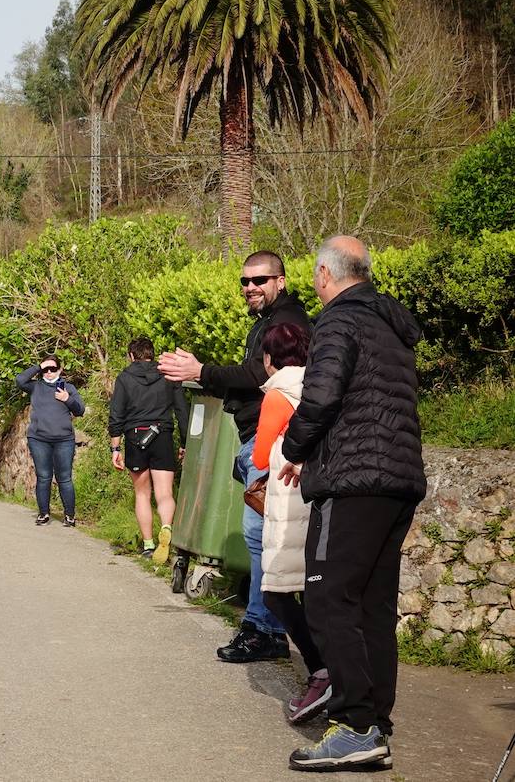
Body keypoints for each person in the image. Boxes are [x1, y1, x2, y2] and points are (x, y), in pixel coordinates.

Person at [280, 237, 426, 773]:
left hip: (351, 479)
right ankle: (375, 726)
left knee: (326, 599)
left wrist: (293, 449)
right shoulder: (392, 325)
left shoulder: (339, 321)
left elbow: (320, 397)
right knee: (371, 607)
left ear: (324, 274)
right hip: (398, 479)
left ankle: (355, 724)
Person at [158, 250, 309, 663]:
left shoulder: (286, 322)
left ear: (281, 280)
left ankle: (264, 629)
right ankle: (267, 626)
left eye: (259, 280)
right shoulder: (266, 323)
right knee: (261, 539)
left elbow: (261, 377)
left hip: (272, 441)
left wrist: (202, 372)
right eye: (244, 282)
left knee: (263, 540)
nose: (250, 288)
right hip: (258, 440)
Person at [250, 322, 330, 726]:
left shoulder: (279, 393)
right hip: (317, 501)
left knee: (277, 593)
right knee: (313, 591)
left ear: (270, 358)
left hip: (288, 506)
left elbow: (261, 456)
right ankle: (328, 670)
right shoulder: (321, 385)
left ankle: (321, 670)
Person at [109, 337, 186, 563]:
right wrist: (184, 443)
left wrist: (115, 447)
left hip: (135, 438)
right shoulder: (168, 376)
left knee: (143, 494)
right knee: (165, 494)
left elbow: (116, 415)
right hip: (161, 435)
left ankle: (149, 545)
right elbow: (182, 410)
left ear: (131, 356)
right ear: (152, 354)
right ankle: (166, 527)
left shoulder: (124, 378)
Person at [16, 356, 85, 527]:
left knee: (64, 478)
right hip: (39, 439)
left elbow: (80, 410)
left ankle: (69, 515)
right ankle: (43, 513)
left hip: (64, 440)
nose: (48, 372)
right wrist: (38, 366)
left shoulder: (68, 388)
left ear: (60, 370)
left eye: (52, 369)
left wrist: (67, 399)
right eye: (45, 369)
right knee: (44, 477)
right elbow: (19, 380)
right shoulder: (35, 387)